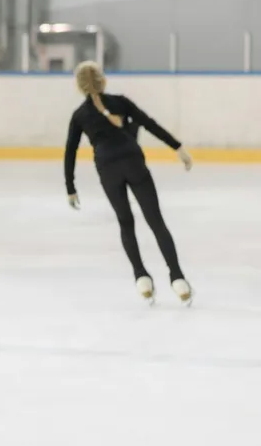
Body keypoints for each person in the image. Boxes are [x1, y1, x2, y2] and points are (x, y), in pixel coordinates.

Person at [63, 61, 193, 305]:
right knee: (156, 221)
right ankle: (177, 278)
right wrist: (178, 147)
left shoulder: (80, 115)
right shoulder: (120, 102)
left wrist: (70, 187)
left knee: (126, 222)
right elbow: (149, 123)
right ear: (103, 79)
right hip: (133, 163)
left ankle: (141, 277)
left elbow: (70, 151)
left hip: (108, 170)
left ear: (79, 86)